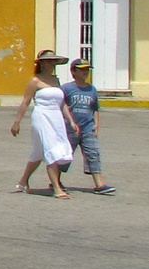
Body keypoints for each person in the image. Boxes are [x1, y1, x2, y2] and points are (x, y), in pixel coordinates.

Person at [10, 50, 79, 198]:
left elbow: (62, 104)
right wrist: (17, 122)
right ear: (41, 63)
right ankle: (56, 187)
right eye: (48, 61)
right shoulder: (35, 81)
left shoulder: (56, 80)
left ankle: (22, 182)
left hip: (56, 118)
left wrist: (71, 121)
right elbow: (25, 101)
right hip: (41, 116)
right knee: (51, 150)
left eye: (53, 61)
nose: (51, 64)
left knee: (39, 152)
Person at [62, 59, 115, 195]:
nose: (85, 72)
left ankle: (99, 184)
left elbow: (95, 108)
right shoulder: (67, 88)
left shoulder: (91, 89)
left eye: (87, 69)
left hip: (87, 128)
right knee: (65, 155)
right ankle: (55, 181)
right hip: (70, 128)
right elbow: (61, 106)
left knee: (93, 154)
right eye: (81, 69)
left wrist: (96, 124)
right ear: (73, 71)